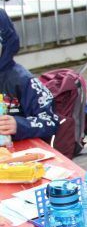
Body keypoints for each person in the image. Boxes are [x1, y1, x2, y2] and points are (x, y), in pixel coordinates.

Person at [0, 9, 59, 141]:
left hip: (18, 154)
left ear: (5, 42)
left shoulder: (23, 81)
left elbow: (51, 121)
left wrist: (19, 125)